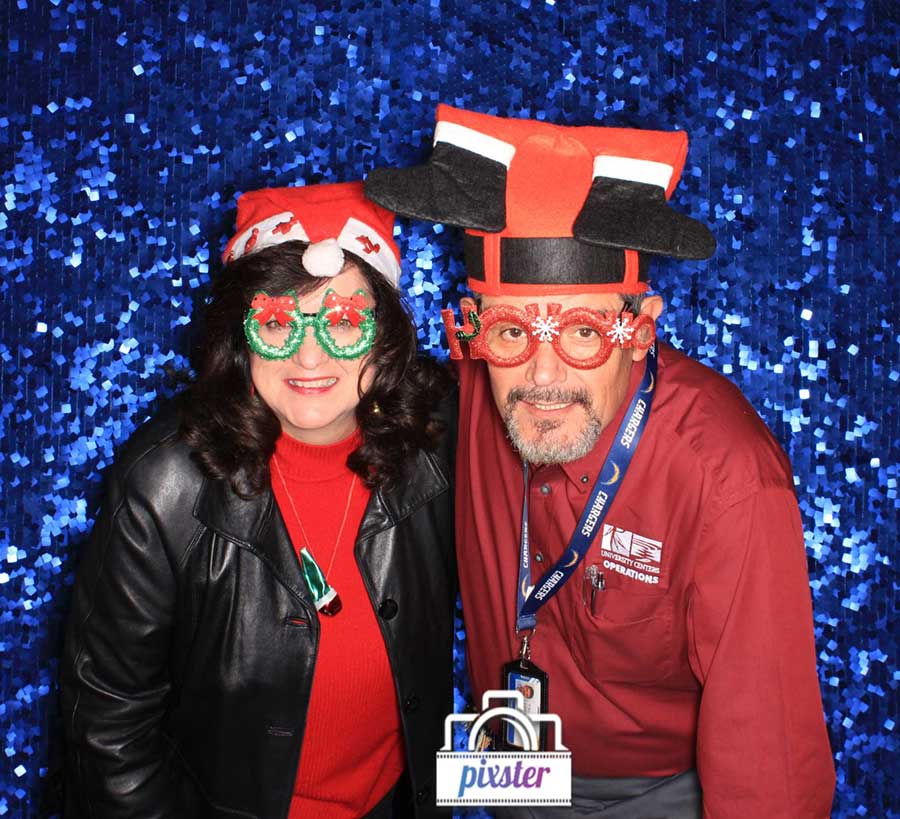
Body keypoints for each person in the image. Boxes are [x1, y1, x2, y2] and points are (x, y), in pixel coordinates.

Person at [365, 105, 836, 817]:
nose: (544, 374)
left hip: (657, 795)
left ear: (640, 331)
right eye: (513, 330)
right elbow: (328, 382)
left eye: (584, 330)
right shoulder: (472, 388)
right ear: (469, 334)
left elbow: (768, 759)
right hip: (511, 770)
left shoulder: (727, 475)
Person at [61, 182, 455, 818]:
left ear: (383, 339)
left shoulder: (435, 441)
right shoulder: (163, 483)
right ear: (241, 337)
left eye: (345, 322)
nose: (308, 353)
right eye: (276, 323)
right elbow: (108, 725)